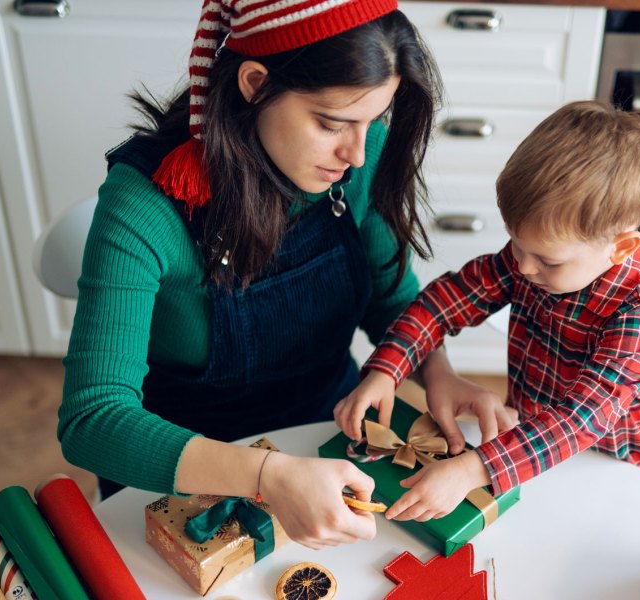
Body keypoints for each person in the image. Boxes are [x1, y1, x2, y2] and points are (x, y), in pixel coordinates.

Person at [60, 0, 450, 549]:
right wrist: (266, 474)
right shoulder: (143, 206)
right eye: (331, 123)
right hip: (182, 467)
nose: (358, 154)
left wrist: (439, 373)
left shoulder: (359, 159)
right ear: (255, 83)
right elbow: (93, 420)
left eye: (373, 120)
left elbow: (392, 303)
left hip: (328, 429)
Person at [334, 100, 640, 523]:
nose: (524, 267)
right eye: (516, 244)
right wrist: (389, 368)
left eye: (547, 261)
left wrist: (471, 469)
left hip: (612, 475)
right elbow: (442, 304)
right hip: (523, 448)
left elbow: (576, 422)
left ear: (620, 248)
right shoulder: (530, 260)